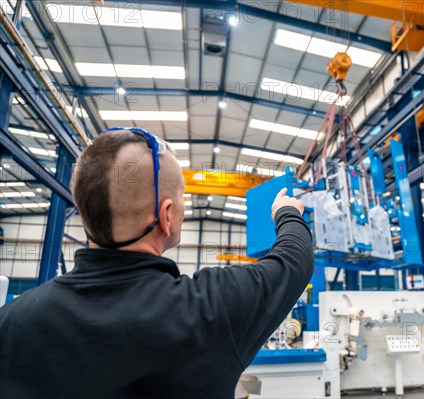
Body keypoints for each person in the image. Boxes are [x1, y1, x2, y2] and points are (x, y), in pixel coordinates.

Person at [0, 128, 314, 398]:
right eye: (182, 199)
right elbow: (294, 261)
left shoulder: (13, 321)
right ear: (166, 217)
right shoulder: (209, 309)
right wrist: (286, 212)